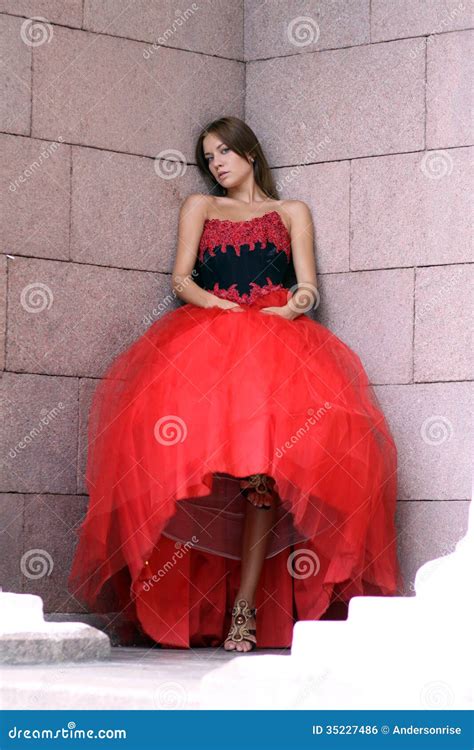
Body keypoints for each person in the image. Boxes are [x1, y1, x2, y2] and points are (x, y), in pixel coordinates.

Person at [68, 116, 403, 653]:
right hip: (207, 347)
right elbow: (180, 279)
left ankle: (245, 609)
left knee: (264, 479)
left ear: (250, 152)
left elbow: (308, 288)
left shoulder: (291, 212)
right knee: (186, 470)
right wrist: (219, 305)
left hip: (277, 347)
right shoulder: (201, 208)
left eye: (225, 151)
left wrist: (293, 307)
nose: (217, 163)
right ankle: (187, 602)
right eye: (209, 157)